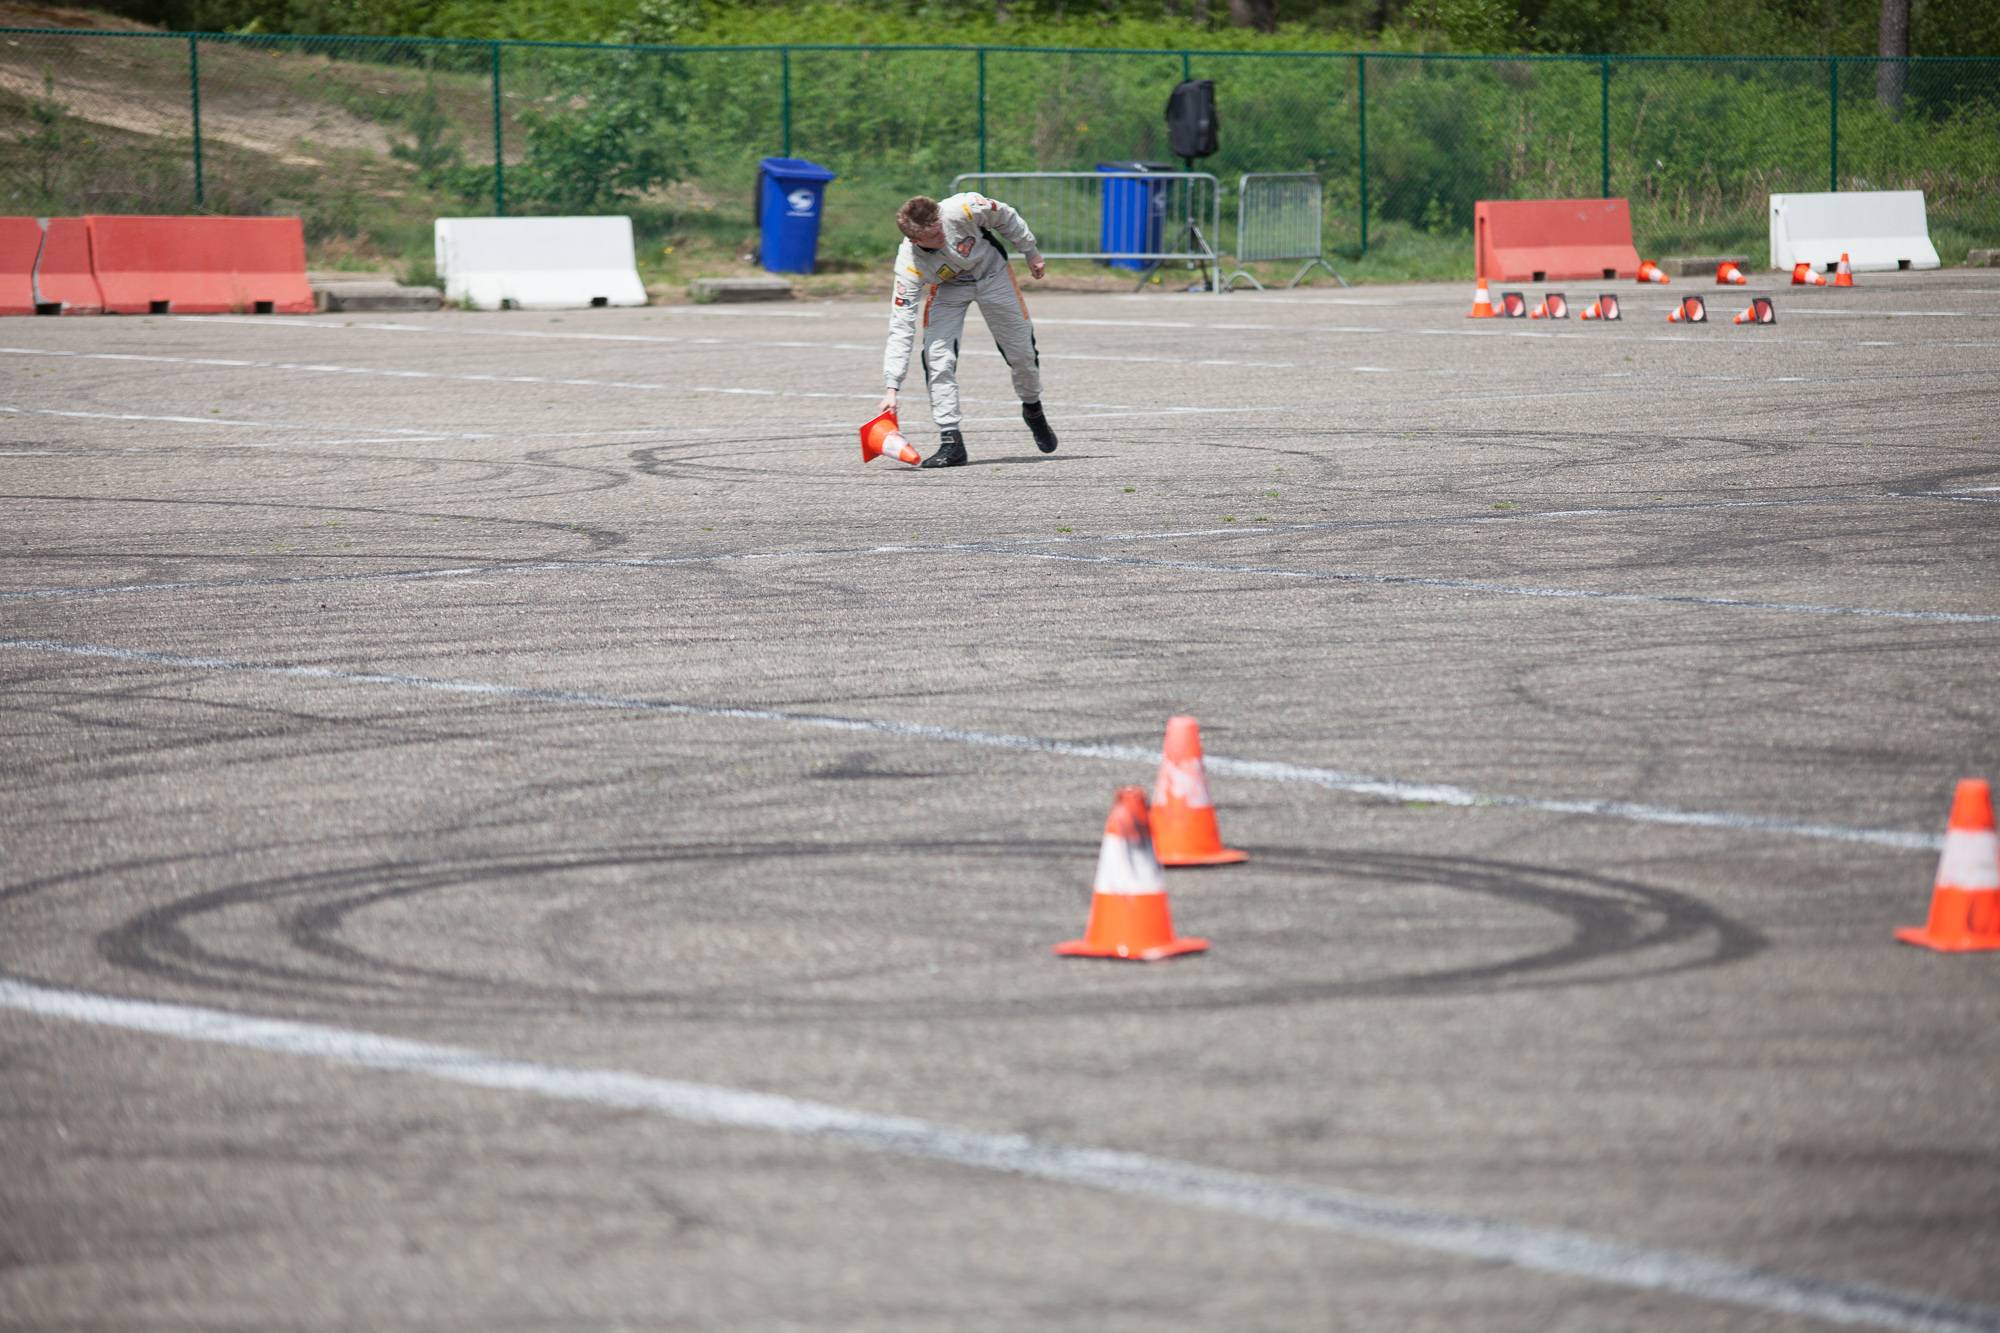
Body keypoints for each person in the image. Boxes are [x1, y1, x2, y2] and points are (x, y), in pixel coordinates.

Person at [876, 193, 1059, 468]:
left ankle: (1032, 408)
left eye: (940, 229)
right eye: (934, 238)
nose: (942, 238)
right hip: (948, 288)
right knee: (938, 359)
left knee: (1021, 353)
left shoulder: (962, 208)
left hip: (993, 274)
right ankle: (951, 440)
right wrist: (892, 387)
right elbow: (901, 325)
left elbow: (1006, 215)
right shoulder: (909, 265)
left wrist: (1030, 250)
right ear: (915, 241)